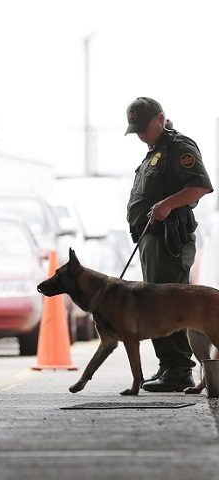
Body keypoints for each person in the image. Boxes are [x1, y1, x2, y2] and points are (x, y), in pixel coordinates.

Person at [125, 97, 213, 392]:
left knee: (169, 302)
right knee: (154, 302)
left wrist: (166, 205)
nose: (140, 135)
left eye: (143, 128)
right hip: (152, 239)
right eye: (135, 130)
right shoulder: (154, 152)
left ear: (160, 119)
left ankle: (178, 370)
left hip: (170, 240)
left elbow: (200, 186)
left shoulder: (179, 147)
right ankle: (168, 367)